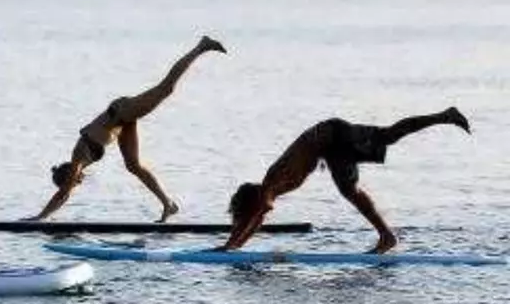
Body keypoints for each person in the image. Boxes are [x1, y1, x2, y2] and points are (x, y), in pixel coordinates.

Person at [222, 108, 470, 252]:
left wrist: (232, 245)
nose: (250, 215)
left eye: (244, 212)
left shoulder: (271, 181)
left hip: (334, 134)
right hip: (330, 149)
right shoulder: (270, 190)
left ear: (251, 200)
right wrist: (234, 244)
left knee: (388, 135)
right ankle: (387, 237)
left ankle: (445, 116)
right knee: (351, 191)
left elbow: (258, 214)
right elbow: (258, 215)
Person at [35, 35, 227, 221]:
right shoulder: (81, 163)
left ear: (69, 175)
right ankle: (168, 204)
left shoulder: (78, 157)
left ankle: (201, 47)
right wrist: (46, 216)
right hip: (121, 125)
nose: (77, 184)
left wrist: (40, 217)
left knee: (166, 88)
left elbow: (63, 194)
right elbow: (65, 193)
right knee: (133, 166)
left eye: (73, 183)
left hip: (121, 111)